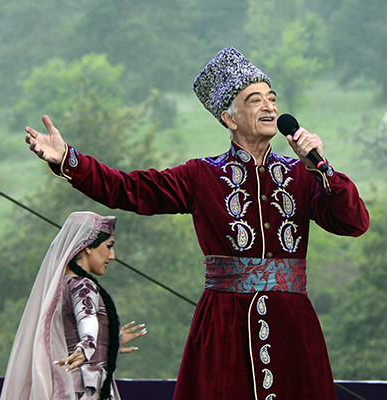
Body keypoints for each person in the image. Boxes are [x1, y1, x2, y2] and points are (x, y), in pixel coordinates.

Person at [25, 47, 369, 399]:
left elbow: (354, 222)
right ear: (229, 118)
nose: (269, 107)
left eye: (272, 98)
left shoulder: (303, 174)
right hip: (225, 328)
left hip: (292, 330)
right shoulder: (202, 175)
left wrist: (323, 168)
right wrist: (68, 159)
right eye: (255, 100)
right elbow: (128, 189)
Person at [0, 211, 147, 400]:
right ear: (88, 246)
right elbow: (87, 318)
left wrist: (109, 342)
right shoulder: (82, 285)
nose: (112, 256)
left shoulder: (61, 285)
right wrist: (87, 345)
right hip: (85, 388)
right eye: (109, 246)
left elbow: (74, 328)